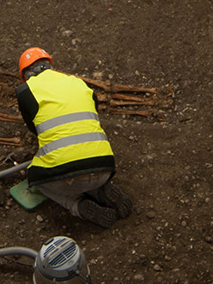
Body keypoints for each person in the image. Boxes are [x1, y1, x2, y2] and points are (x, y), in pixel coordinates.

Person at [15, 47, 133, 228]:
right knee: (83, 166)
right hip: (105, 166)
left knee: (36, 178)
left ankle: (78, 205)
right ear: (49, 65)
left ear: (25, 74)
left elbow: (34, 128)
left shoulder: (25, 91)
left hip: (67, 175)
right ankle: (101, 190)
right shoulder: (78, 83)